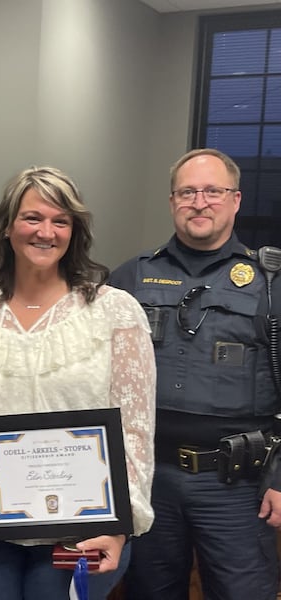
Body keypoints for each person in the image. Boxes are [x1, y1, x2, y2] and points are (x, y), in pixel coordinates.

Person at [0, 166, 156, 600]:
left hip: (81, 527)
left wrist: (119, 526)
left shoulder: (114, 312)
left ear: (75, 231)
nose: (45, 232)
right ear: (7, 227)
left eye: (60, 221)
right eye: (32, 218)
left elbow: (136, 430)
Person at [110, 148, 281, 600]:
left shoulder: (270, 282)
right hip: (150, 480)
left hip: (238, 485)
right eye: (187, 191)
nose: (199, 201)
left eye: (212, 191)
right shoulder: (131, 278)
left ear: (236, 200)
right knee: (149, 592)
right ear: (172, 202)